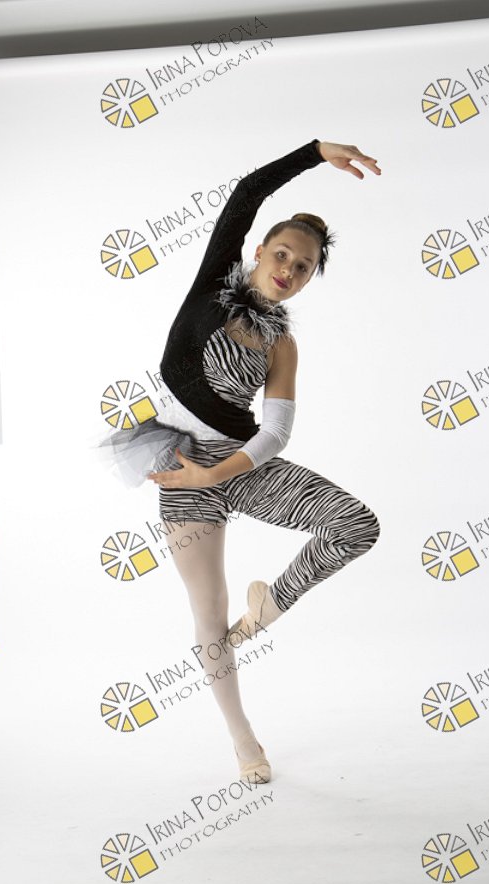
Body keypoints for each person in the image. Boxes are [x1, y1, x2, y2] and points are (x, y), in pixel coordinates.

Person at [107, 139, 381, 784]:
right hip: (180, 466)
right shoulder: (212, 287)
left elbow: (277, 432)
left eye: (304, 267)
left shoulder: (282, 343)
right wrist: (315, 153)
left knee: (356, 526)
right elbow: (246, 193)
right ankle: (244, 740)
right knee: (208, 612)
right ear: (259, 251)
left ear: (309, 279)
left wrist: (219, 473)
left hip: (239, 464)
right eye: (282, 254)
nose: (290, 269)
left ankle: (268, 607)